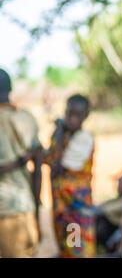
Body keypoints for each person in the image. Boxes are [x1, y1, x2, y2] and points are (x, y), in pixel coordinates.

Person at [45, 94, 96, 257]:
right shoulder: (64, 136)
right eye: (68, 113)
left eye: (77, 115)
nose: (71, 119)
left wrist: (59, 130)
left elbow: (57, 166)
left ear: (85, 116)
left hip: (77, 207)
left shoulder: (84, 139)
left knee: (77, 249)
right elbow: (49, 156)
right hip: (62, 205)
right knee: (64, 246)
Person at [0, 68, 42, 257]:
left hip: (6, 212)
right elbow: (38, 166)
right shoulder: (27, 118)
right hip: (25, 207)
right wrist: (37, 208)